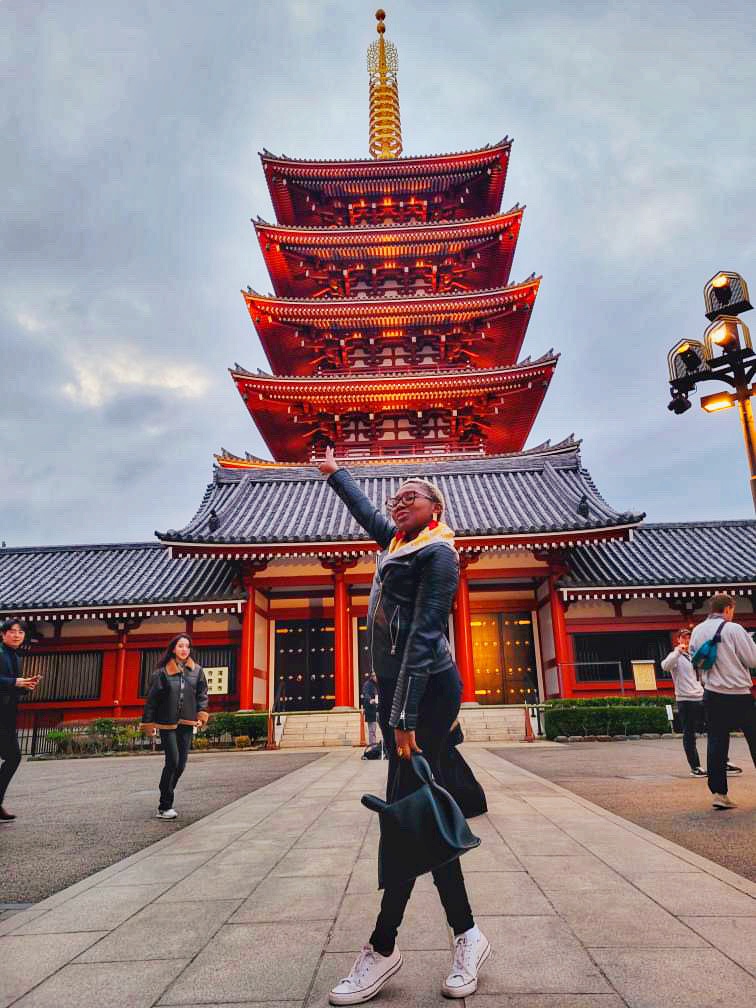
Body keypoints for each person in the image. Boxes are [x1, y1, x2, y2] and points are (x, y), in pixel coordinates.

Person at [319, 446, 489, 1005]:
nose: (397, 501)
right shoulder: (400, 542)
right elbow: (370, 515)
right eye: (396, 497)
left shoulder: (438, 555)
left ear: (435, 507)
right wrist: (335, 473)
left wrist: (403, 717)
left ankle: (385, 945)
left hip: (428, 691)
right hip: (404, 691)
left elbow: (422, 635)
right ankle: (465, 934)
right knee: (414, 811)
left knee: (406, 811)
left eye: (409, 495)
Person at [689, 593, 756, 810]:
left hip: (712, 694)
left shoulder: (697, 630)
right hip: (739, 694)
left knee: (717, 743)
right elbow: (752, 659)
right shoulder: (734, 629)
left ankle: (719, 793)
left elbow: (696, 661)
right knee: (754, 740)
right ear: (728, 609)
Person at [141, 634, 209, 820]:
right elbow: (152, 701)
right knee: (172, 761)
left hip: (187, 722)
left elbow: (202, 695)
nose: (184, 649)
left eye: (187, 646)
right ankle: (165, 805)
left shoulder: (197, 671)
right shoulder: (161, 673)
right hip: (167, 723)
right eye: (180, 646)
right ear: (173, 648)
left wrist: (201, 715)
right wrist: (149, 723)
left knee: (181, 765)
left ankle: (166, 791)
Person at [0, 619, 40, 821]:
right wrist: (14, 681)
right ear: (3, 633)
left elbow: (10, 686)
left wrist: (25, 687)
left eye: (21, 632)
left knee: (13, 756)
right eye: (12, 631)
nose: (17, 635)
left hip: (6, 714)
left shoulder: (15, 656)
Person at [661, 628, 706, 776]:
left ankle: (723, 761)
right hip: (685, 699)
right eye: (684, 638)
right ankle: (695, 766)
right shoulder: (675, 656)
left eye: (689, 638)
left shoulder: (694, 656)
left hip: (700, 696)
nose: (687, 640)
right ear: (678, 639)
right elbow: (665, 666)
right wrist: (677, 652)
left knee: (716, 728)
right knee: (689, 734)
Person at [361, 671, 379, 747]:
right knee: (372, 730)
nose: (376, 678)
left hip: (378, 709)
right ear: (371, 676)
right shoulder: (367, 684)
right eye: (374, 676)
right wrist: (370, 700)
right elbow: (366, 694)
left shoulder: (377, 684)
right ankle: (373, 746)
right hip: (371, 710)